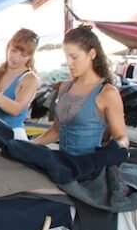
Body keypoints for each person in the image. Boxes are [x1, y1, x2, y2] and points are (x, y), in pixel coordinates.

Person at [33, 25, 128, 155]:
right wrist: (30, 144)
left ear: (92, 54)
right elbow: (55, 132)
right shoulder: (64, 87)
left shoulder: (107, 93)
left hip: (88, 167)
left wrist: (110, 155)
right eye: (67, 57)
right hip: (63, 163)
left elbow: (121, 138)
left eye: (74, 57)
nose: (69, 63)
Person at [0, 28, 41, 140]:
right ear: (8, 47)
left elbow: (16, 109)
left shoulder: (30, 79)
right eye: (13, 51)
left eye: (23, 55)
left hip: (13, 136)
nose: (16, 58)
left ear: (30, 56)